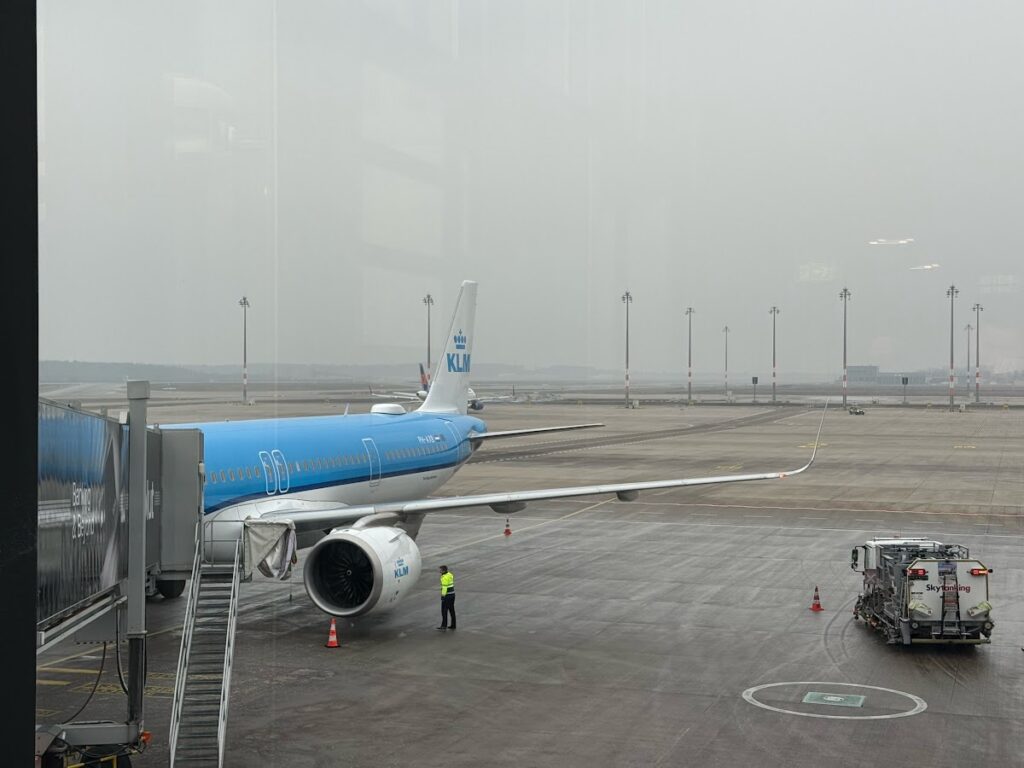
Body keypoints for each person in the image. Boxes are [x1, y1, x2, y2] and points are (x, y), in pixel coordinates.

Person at [437, 565, 456, 631]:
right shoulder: (450, 574)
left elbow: (444, 587)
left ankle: (444, 626)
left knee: (444, 611)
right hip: (452, 594)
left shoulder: (444, 577)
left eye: (440, 570)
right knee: (452, 610)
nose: (439, 571)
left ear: (443, 570)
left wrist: (443, 596)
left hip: (447, 596)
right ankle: (453, 625)